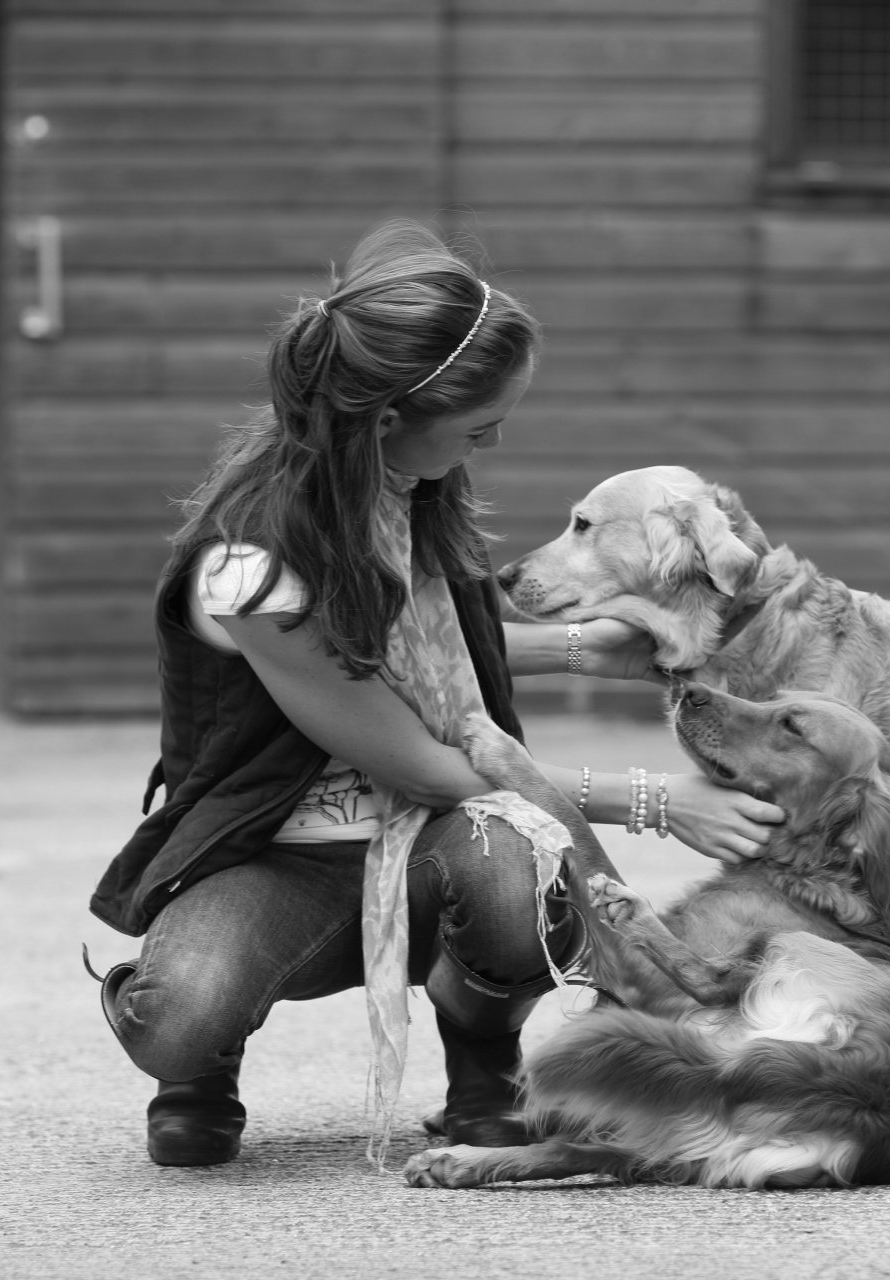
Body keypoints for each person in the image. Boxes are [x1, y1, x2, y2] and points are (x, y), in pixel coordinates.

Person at [86, 220, 784, 1168]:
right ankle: (198, 1062)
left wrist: (588, 649)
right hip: (275, 857)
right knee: (181, 1013)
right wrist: (653, 801)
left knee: (510, 881)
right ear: (383, 420)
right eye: (479, 425)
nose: (491, 441)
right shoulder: (249, 570)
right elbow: (425, 760)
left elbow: (421, 661)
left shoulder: (405, 487)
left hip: (429, 850)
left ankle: (483, 1067)